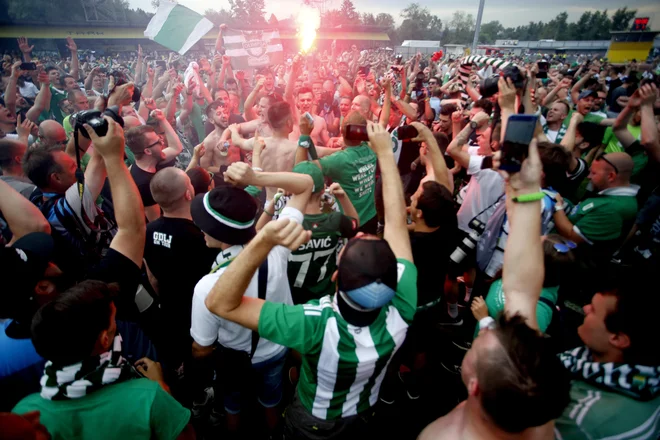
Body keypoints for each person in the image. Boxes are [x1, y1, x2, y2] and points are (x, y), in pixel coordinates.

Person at [202, 121, 417, 439]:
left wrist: (262, 241)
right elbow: (398, 221)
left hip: (314, 417)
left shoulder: (314, 323)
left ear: (335, 277)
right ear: (397, 277)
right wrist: (385, 154)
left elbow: (219, 302)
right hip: (360, 409)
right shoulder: (404, 304)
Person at [12, 116, 196, 439]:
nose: (50, 253)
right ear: (104, 337)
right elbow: (132, 229)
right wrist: (161, 388)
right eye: (44, 258)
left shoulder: (25, 413)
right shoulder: (146, 395)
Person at [419, 139, 571, 439]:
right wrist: (526, 190)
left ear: (473, 384)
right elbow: (522, 289)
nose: (486, 329)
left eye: (481, 340)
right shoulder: (538, 421)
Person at [189, 170, 313, 435]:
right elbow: (305, 185)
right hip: (276, 350)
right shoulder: (275, 247)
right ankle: (273, 434)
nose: (200, 230)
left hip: (234, 361)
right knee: (271, 400)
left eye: (204, 225)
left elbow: (201, 348)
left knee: (232, 406)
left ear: (221, 235)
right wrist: (255, 176)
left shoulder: (207, 287)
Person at [554, 276, 660, 439]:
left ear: (618, 338)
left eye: (594, 310)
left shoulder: (583, 419)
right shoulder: (648, 379)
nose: (585, 308)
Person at [144, 167, 217, 367]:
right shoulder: (201, 237)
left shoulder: (149, 230)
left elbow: (152, 279)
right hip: (199, 313)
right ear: (188, 193)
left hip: (169, 310)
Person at [296, 111, 379, 234]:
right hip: (371, 217)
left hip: (350, 222)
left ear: (342, 131)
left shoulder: (339, 160)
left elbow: (301, 169)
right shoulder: (371, 148)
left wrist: (304, 136)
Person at [126, 110, 182, 222]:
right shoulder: (144, 183)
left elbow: (176, 148)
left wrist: (162, 119)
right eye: (157, 141)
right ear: (147, 151)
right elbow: (156, 220)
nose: (162, 141)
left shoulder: (154, 160)